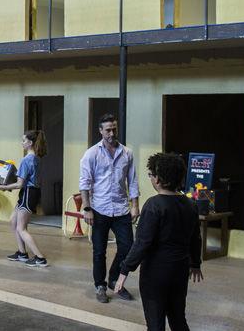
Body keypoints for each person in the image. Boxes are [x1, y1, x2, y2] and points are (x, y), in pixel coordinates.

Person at [115, 153, 203, 331]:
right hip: (180, 270)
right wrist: (195, 264)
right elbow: (196, 238)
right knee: (178, 320)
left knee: (155, 324)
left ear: (159, 179)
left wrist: (124, 271)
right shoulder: (191, 205)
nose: (150, 178)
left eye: (151, 175)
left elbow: (142, 243)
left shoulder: (154, 205)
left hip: (155, 274)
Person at [79, 113, 140, 303]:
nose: (112, 133)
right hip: (99, 209)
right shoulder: (91, 154)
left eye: (114, 129)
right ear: (100, 131)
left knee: (128, 247)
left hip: (121, 209)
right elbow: (85, 183)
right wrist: (87, 208)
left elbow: (133, 181)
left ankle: (114, 279)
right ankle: (100, 286)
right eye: (108, 130)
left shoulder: (127, 153)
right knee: (99, 251)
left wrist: (135, 205)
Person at [0, 130, 48, 267]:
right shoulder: (36, 158)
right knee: (13, 221)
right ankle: (22, 253)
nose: (21, 143)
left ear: (30, 143)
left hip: (28, 193)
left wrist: (0, 186)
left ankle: (40, 258)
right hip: (31, 192)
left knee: (21, 228)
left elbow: (19, 183)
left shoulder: (27, 160)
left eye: (23, 141)